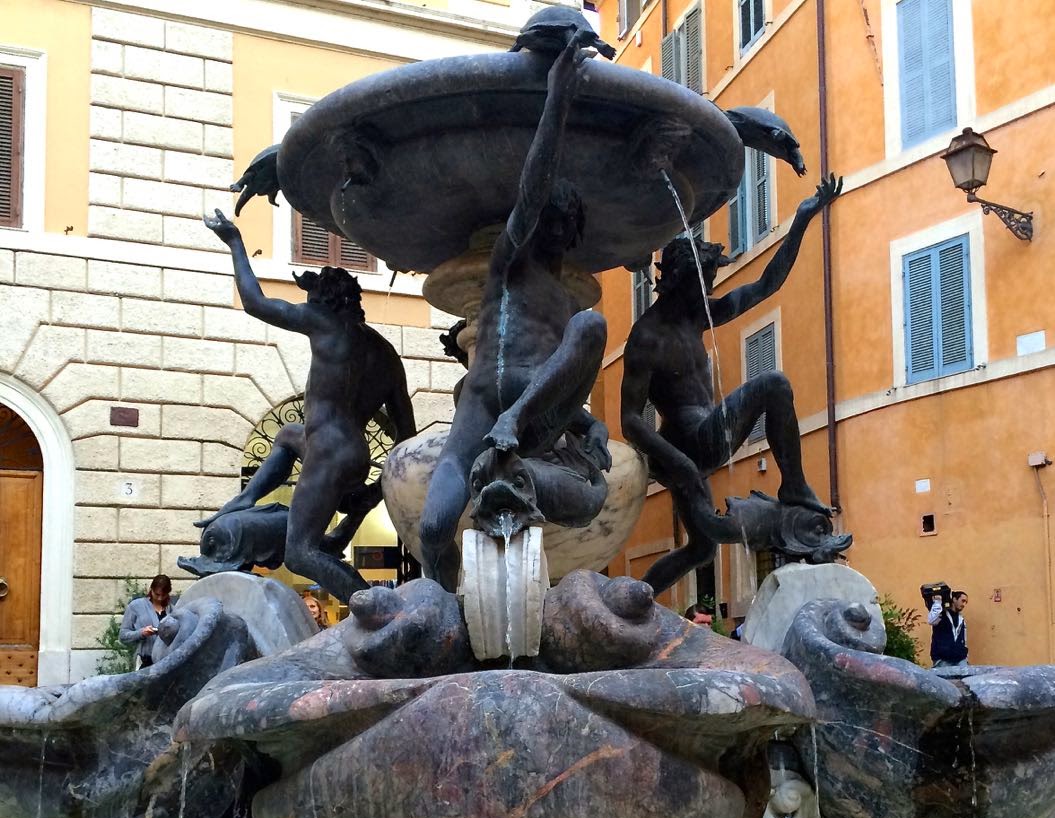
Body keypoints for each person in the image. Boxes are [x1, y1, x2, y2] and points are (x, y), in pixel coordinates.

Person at [418, 29, 610, 590]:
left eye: (559, 215)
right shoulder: (508, 264)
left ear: (571, 227)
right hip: (482, 409)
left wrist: (591, 422)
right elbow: (530, 188)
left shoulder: (565, 298)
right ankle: (442, 613)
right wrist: (558, 98)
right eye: (543, 211)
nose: (547, 220)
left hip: (529, 418)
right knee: (432, 527)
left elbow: (557, 370)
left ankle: (515, 430)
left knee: (591, 326)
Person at [620, 175, 842, 596]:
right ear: (684, 280)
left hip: (702, 442)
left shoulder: (694, 316)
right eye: (704, 281)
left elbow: (765, 286)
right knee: (774, 384)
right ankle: (793, 485)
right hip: (689, 446)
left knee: (702, 548)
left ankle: (629, 601)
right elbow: (630, 420)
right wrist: (681, 466)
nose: (710, 290)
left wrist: (800, 221)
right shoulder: (647, 336)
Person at [203, 209, 415, 602]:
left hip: (328, 451)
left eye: (311, 296)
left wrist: (234, 241)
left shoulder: (324, 322)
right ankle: (249, 498)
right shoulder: (387, 354)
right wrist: (371, 496)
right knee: (286, 435)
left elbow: (255, 301)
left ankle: (379, 615)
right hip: (354, 453)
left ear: (324, 299)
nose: (307, 302)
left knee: (300, 553)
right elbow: (406, 439)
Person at [119, 574, 176, 668]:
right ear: (151, 589)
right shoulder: (136, 606)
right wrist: (141, 633)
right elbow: (123, 636)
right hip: (145, 660)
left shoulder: (173, 609)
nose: (160, 598)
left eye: (164, 595)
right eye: (157, 594)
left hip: (167, 661)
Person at [922, 583, 968, 667]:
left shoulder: (961, 620)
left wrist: (965, 657)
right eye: (963, 601)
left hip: (960, 660)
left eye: (966, 602)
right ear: (954, 599)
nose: (964, 604)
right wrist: (938, 602)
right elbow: (931, 621)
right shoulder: (941, 614)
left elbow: (964, 641)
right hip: (943, 661)